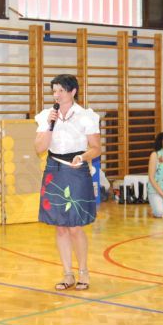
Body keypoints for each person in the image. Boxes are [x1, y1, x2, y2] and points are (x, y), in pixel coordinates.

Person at [34, 74, 101, 292]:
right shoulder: (46, 116)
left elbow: (96, 148)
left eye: (61, 90)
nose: (57, 95)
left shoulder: (86, 116)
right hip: (54, 170)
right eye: (54, 91)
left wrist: (83, 157)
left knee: (74, 227)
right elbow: (39, 148)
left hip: (76, 169)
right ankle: (67, 274)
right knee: (61, 227)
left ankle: (83, 272)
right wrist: (49, 124)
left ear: (72, 92)